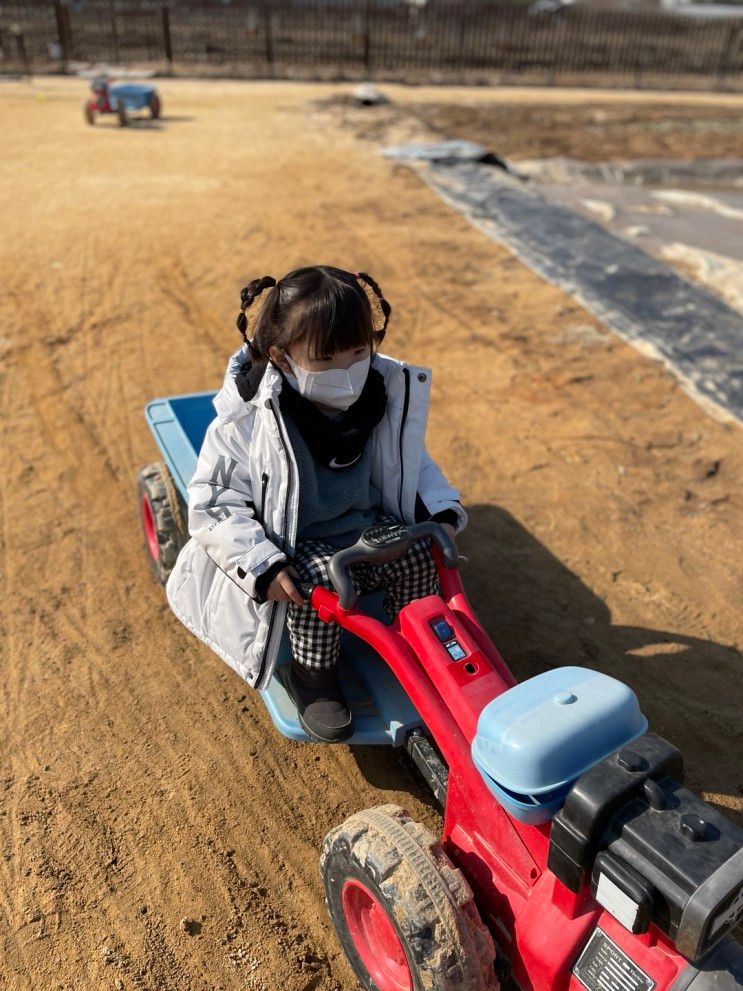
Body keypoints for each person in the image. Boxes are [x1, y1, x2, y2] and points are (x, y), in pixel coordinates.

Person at [165, 265, 467, 744]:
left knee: (416, 557)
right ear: (283, 358)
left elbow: (412, 462)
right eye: (325, 358)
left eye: (358, 352)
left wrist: (440, 512)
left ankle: (420, 642)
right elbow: (216, 501)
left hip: (368, 523)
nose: (346, 372)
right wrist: (261, 565)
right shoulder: (250, 420)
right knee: (317, 584)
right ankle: (313, 675)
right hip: (302, 538)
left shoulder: (382, 397)